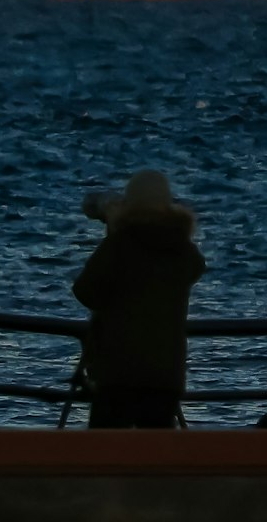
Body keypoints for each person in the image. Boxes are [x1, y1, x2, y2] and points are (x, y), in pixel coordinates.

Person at [72, 170, 206, 429]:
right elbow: (194, 267)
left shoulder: (120, 244)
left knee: (105, 455)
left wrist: (114, 230)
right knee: (157, 458)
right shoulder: (183, 250)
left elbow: (86, 292)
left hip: (118, 373)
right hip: (165, 375)